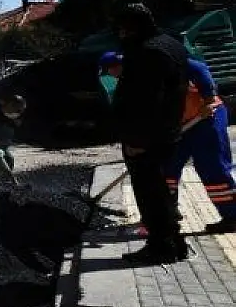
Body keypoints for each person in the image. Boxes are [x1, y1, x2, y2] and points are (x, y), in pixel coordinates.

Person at [101, 52, 236, 234]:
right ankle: (168, 213)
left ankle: (232, 217)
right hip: (179, 126)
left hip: (205, 117)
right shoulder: (130, 85)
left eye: (112, 71)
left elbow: (199, 69)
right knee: (166, 168)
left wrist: (209, 97)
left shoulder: (157, 64)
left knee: (212, 166)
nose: (113, 76)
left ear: (118, 66)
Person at [111, 3, 191, 264]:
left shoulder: (146, 52)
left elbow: (145, 101)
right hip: (168, 130)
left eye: (122, 28)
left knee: (150, 193)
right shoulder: (171, 44)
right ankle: (175, 242)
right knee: (160, 191)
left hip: (148, 138)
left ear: (132, 27)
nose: (120, 34)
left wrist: (137, 141)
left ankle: (160, 246)